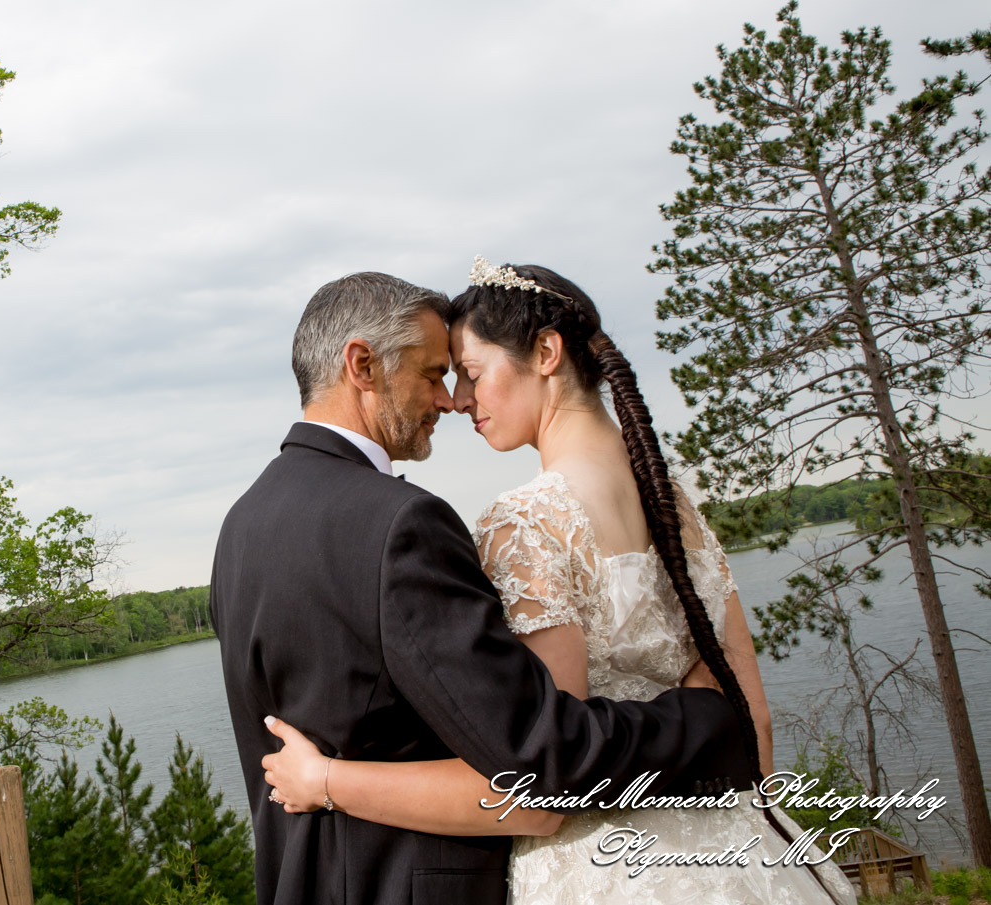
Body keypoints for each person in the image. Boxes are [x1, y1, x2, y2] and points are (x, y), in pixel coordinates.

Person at [260, 260, 857, 904]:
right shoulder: (673, 503)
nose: (459, 400)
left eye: (472, 374)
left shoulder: (523, 523)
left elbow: (542, 782)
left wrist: (326, 780)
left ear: (545, 353)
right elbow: (754, 720)